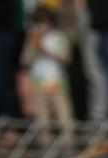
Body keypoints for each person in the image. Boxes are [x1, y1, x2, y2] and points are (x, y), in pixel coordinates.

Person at [21, 6, 72, 149]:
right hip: (38, 86)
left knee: (65, 118)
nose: (40, 26)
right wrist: (33, 45)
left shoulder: (59, 37)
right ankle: (46, 149)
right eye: (37, 23)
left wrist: (44, 48)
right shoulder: (31, 39)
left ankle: (68, 148)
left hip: (58, 85)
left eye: (43, 22)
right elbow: (25, 61)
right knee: (42, 122)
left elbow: (66, 58)